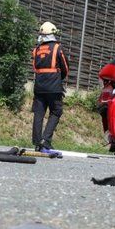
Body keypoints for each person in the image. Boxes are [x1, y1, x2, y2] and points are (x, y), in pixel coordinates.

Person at [31, 21, 70, 153]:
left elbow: (35, 68)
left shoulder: (36, 50)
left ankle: (37, 143)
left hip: (39, 86)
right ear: (53, 34)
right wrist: (58, 78)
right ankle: (45, 141)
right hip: (54, 87)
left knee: (38, 113)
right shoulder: (58, 48)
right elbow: (65, 68)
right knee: (56, 111)